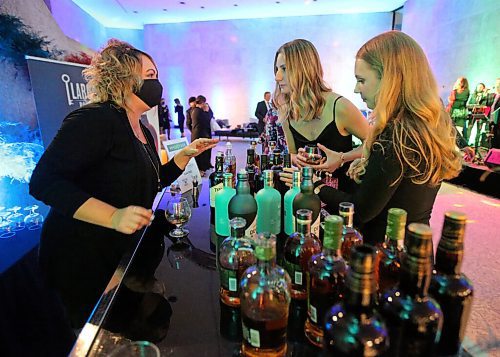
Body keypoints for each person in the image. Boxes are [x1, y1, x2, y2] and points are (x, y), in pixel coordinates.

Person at [29, 39, 217, 328]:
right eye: (150, 75)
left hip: (116, 253)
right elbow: (44, 182)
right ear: (123, 77)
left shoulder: (142, 126)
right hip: (80, 258)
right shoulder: (95, 119)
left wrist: (184, 155)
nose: (157, 84)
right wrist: (114, 216)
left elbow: (153, 180)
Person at [312, 31, 462, 245]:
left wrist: (316, 186)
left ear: (390, 79)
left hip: (386, 256)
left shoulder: (397, 135)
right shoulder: (431, 124)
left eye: (361, 80)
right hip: (417, 245)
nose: (356, 89)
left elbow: (361, 210)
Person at [274, 39, 369, 192]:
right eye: (277, 69)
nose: (277, 77)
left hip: (341, 199)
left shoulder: (339, 106)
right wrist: (296, 159)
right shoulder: (286, 111)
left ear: (304, 69)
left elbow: (374, 144)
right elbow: (292, 154)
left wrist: (342, 158)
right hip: (306, 196)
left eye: (284, 69)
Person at [190, 95, 214, 175]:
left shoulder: (198, 110)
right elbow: (207, 118)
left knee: (204, 153)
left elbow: (211, 115)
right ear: (202, 102)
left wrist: (207, 110)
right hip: (199, 135)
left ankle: (205, 167)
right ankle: (200, 170)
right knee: (200, 154)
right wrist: (207, 111)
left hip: (202, 134)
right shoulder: (197, 111)